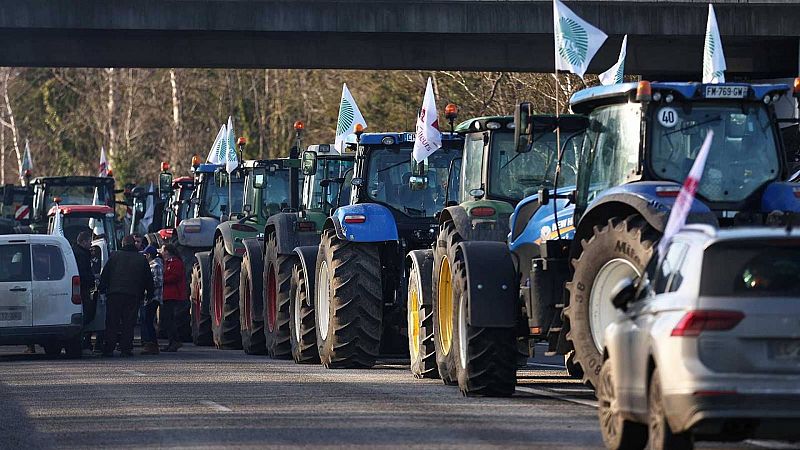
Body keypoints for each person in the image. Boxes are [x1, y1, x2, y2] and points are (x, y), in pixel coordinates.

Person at [98, 235, 154, 357]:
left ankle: (109, 348)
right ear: (133, 244)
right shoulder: (141, 259)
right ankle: (126, 348)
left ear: (122, 244)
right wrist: (150, 294)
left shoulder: (114, 256)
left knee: (112, 322)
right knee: (129, 323)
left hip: (114, 294)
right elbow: (148, 279)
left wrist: (101, 290)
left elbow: (105, 274)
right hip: (133, 295)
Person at [160, 244, 186, 352]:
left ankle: (175, 341)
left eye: (162, 250)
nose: (161, 252)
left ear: (167, 251)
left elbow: (175, 277)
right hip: (167, 294)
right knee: (167, 320)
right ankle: (172, 341)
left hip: (173, 294)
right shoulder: (168, 263)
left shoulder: (176, 263)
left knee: (170, 320)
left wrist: (162, 278)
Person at [73, 232, 96, 350]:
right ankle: (82, 340)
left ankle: (83, 340)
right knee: (86, 314)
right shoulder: (82, 255)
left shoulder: (77, 252)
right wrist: (92, 281)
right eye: (89, 242)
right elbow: (84, 273)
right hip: (83, 289)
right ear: (83, 242)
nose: (91, 244)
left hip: (80, 288)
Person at [140, 246, 163, 355]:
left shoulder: (156, 266)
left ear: (148, 255)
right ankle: (150, 344)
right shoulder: (150, 265)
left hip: (153, 298)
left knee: (148, 321)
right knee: (146, 321)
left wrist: (146, 284)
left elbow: (158, 282)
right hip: (149, 297)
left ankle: (153, 344)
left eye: (145, 255)